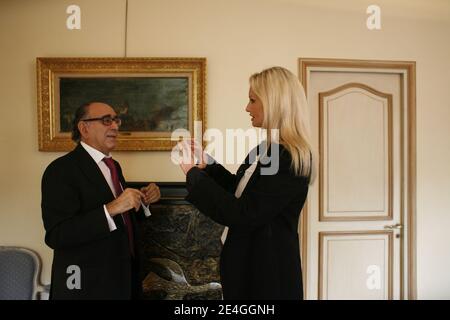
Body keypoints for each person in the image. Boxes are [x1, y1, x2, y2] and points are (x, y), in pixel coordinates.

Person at [178, 67, 315, 299]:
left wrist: (193, 175)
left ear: (274, 103)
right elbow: (239, 190)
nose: (247, 108)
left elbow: (245, 214)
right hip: (248, 262)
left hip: (267, 272)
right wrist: (206, 164)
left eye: (253, 100)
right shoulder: (264, 149)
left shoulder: (288, 156)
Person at [41, 102, 161, 299]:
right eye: (106, 120)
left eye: (116, 120)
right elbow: (58, 235)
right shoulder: (61, 170)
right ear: (84, 128)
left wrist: (144, 201)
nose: (115, 126)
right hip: (86, 287)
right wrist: (112, 208)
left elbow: (121, 222)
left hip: (123, 280)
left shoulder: (114, 166)